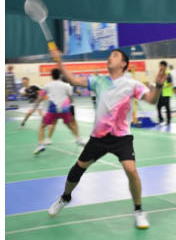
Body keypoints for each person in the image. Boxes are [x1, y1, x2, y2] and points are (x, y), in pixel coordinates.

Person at [47, 45, 162, 228]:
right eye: (109, 55)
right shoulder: (98, 81)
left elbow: (152, 100)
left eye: (114, 56)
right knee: (78, 168)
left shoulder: (132, 84)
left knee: (131, 170)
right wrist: (59, 60)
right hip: (99, 137)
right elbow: (72, 80)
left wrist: (159, 86)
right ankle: (65, 197)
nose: (109, 57)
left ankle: (139, 210)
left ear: (123, 64)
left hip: (121, 137)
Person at [22, 65, 80, 155]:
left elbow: (40, 97)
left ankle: (41, 144)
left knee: (42, 127)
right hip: (64, 110)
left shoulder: (47, 86)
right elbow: (70, 99)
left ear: (51, 76)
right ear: (60, 75)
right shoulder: (67, 86)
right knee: (69, 125)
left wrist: (35, 107)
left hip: (52, 110)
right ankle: (78, 139)